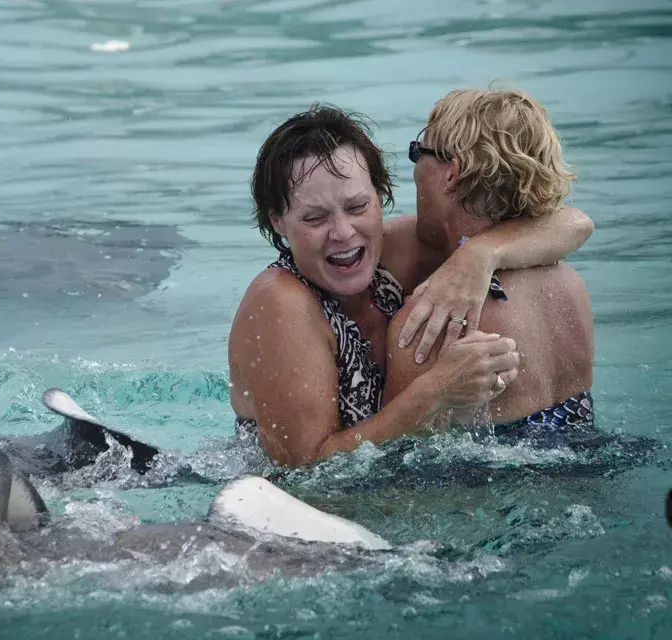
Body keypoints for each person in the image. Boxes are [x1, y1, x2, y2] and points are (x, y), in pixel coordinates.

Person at [228, 101, 594, 468]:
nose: (342, 232)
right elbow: (305, 474)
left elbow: (574, 223)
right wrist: (434, 392)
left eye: (357, 207)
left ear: (380, 196)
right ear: (277, 221)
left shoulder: (394, 251)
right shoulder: (279, 303)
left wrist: (480, 256)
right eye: (314, 218)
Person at [384, 87, 593, 441]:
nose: (416, 168)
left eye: (418, 153)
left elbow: (385, 464)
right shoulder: (569, 284)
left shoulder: (433, 320)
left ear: (452, 172)